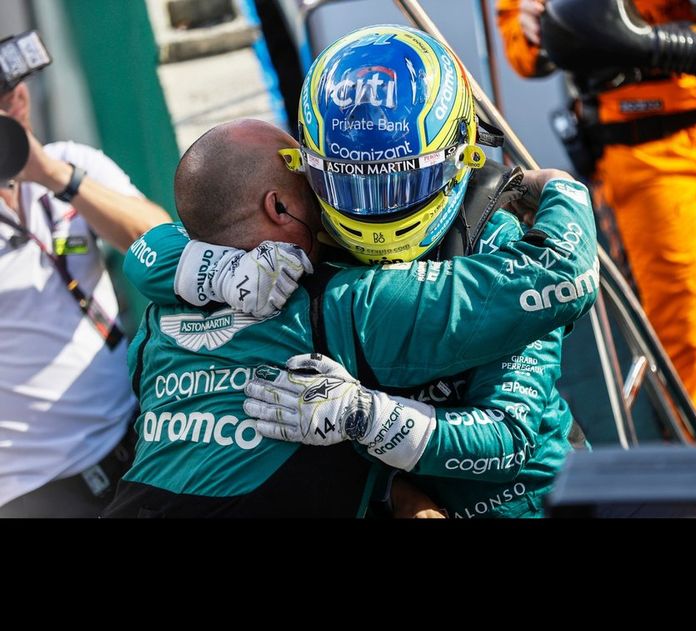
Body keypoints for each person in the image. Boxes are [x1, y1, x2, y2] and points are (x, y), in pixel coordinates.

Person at [116, 24, 598, 518]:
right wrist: (217, 268)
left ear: (460, 158)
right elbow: (179, 231)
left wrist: (368, 418)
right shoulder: (298, 249)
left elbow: (508, 439)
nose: (376, 211)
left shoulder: (493, 239)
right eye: (349, 185)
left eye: (400, 182)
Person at [497, 0, 696, 444]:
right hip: (643, 145)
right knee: (684, 331)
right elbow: (523, 42)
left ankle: (685, 394)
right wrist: (538, 30)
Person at [0, 79, 171, 518]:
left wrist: (56, 178)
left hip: (137, 435)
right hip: (34, 487)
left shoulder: (68, 161)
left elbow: (158, 242)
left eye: (15, 86)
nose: (15, 99)